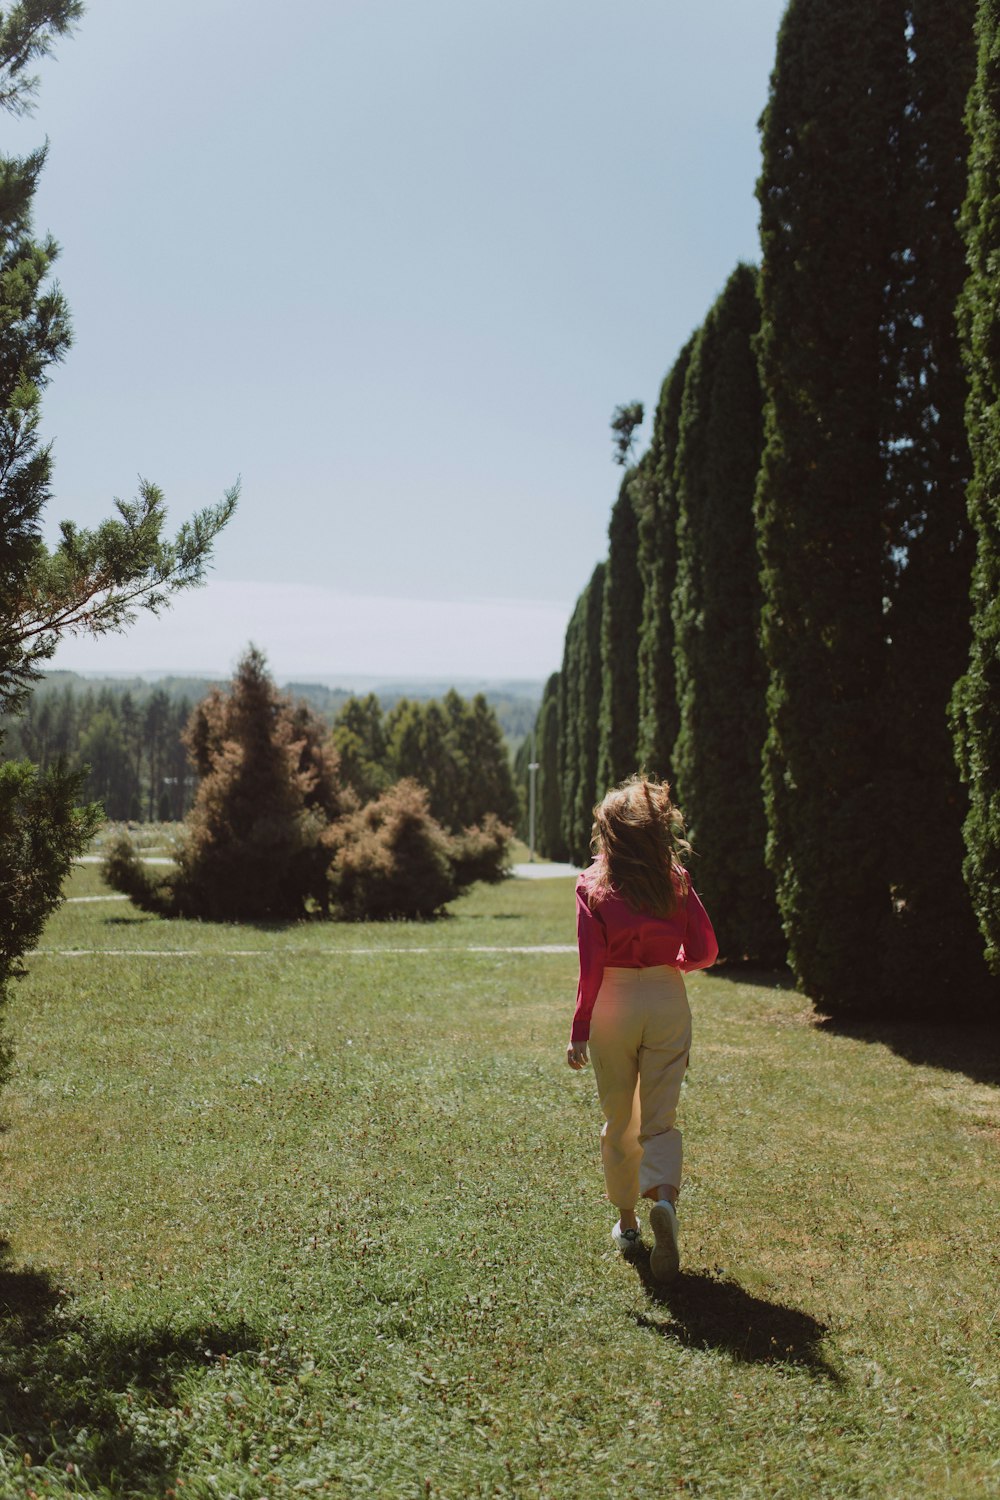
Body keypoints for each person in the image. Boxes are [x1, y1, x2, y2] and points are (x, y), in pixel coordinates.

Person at [566, 775, 718, 1281]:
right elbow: (706, 951)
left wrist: (579, 1027)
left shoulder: (592, 884)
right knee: (660, 1115)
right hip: (665, 995)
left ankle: (628, 1223)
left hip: (613, 1001)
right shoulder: (674, 878)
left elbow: (591, 965)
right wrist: (674, 963)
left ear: (608, 833)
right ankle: (666, 1205)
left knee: (619, 1115)